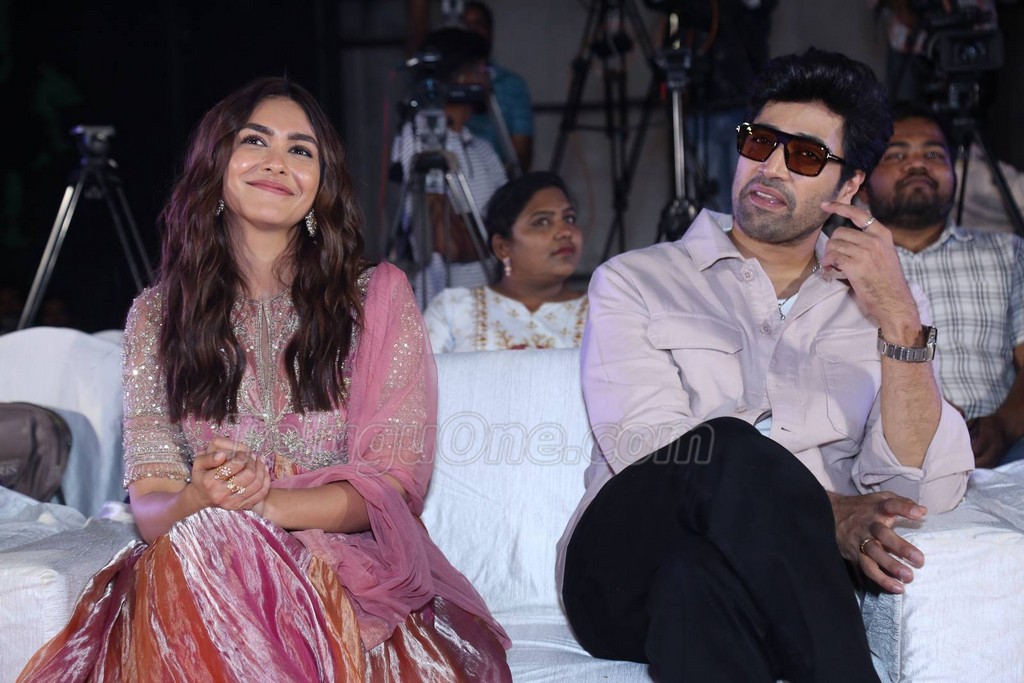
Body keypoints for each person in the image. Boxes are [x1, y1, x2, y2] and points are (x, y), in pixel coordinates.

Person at [18, 77, 511, 681]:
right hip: (201, 573)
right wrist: (200, 498)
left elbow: (393, 485)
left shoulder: (375, 297)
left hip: (348, 586)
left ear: (320, 186)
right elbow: (152, 502)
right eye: (256, 141)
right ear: (216, 164)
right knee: (209, 547)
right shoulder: (157, 316)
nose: (277, 161)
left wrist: (262, 504)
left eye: (301, 150)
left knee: (223, 544)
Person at [557, 48, 974, 682]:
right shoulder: (636, 280)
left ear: (850, 187)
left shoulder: (885, 302)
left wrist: (897, 320)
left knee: (694, 587)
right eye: (759, 142)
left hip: (769, 590)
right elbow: (649, 447)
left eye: (805, 156)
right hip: (620, 568)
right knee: (722, 446)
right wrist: (829, 512)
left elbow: (926, 489)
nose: (771, 167)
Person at [861, 102, 1024, 467]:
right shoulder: (841, 263)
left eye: (933, 154)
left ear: (955, 173)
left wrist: (1004, 426)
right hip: (881, 452)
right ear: (862, 186)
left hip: (1003, 449)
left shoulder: (1008, 254)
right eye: (896, 155)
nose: (917, 165)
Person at [393, 26, 508, 308]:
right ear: (463, 78)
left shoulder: (482, 147)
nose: (489, 79)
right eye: (483, 70)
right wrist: (502, 243)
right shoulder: (417, 137)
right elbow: (446, 243)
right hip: (441, 306)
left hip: (490, 302)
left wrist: (491, 237)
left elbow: (512, 220)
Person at [424, 171, 587, 352]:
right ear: (503, 247)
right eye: (542, 222)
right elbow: (418, 370)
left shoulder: (601, 312)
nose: (565, 232)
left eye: (569, 218)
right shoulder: (453, 309)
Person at [461, 1, 535, 174]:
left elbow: (521, 154)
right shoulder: (443, 84)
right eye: (466, 25)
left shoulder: (513, 85)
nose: (472, 31)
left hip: (498, 178)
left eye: (478, 24)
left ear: (490, 31)